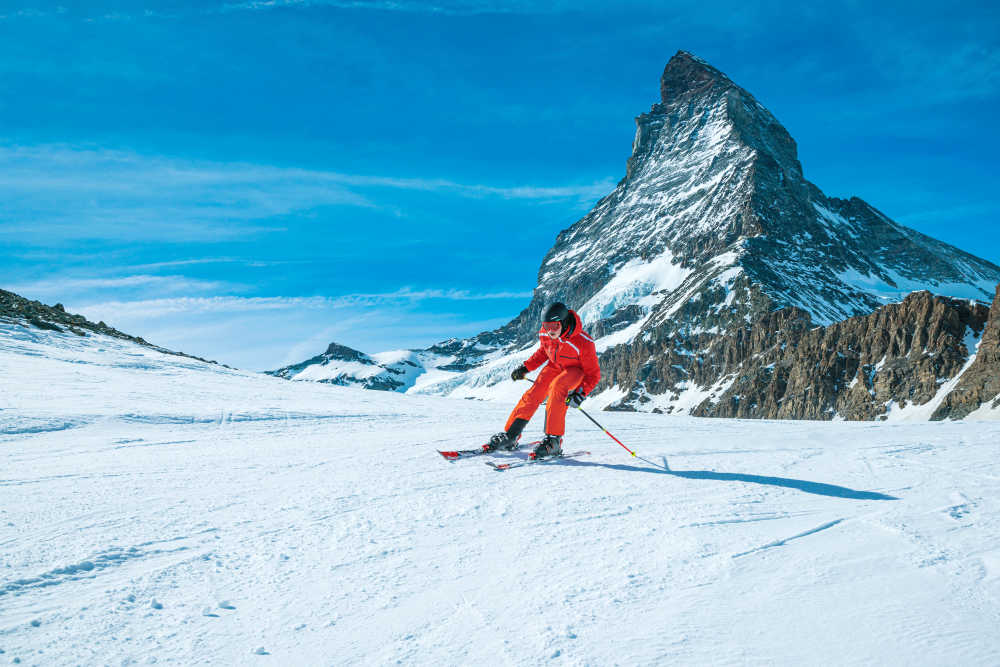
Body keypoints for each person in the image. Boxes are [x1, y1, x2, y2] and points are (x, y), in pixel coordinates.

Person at [485, 302, 601, 459]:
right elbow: (543, 352)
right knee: (534, 393)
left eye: (554, 326)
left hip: (575, 371)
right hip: (554, 367)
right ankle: (511, 436)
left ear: (564, 322)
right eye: (546, 326)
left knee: (558, 387)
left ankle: (553, 441)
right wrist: (526, 368)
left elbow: (593, 374)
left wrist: (581, 392)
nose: (549, 331)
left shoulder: (583, 342)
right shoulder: (545, 333)